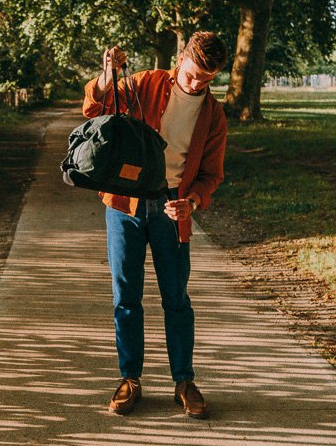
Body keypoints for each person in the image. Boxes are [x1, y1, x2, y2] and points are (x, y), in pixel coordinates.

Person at [81, 31, 228, 419]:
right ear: (180, 59)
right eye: (193, 73)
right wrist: (106, 73)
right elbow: (94, 107)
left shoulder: (213, 114)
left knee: (176, 299)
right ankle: (130, 380)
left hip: (171, 210)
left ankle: (184, 381)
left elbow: (211, 174)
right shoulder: (145, 82)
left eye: (206, 79)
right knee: (126, 296)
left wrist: (192, 202)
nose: (196, 84)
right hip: (124, 204)